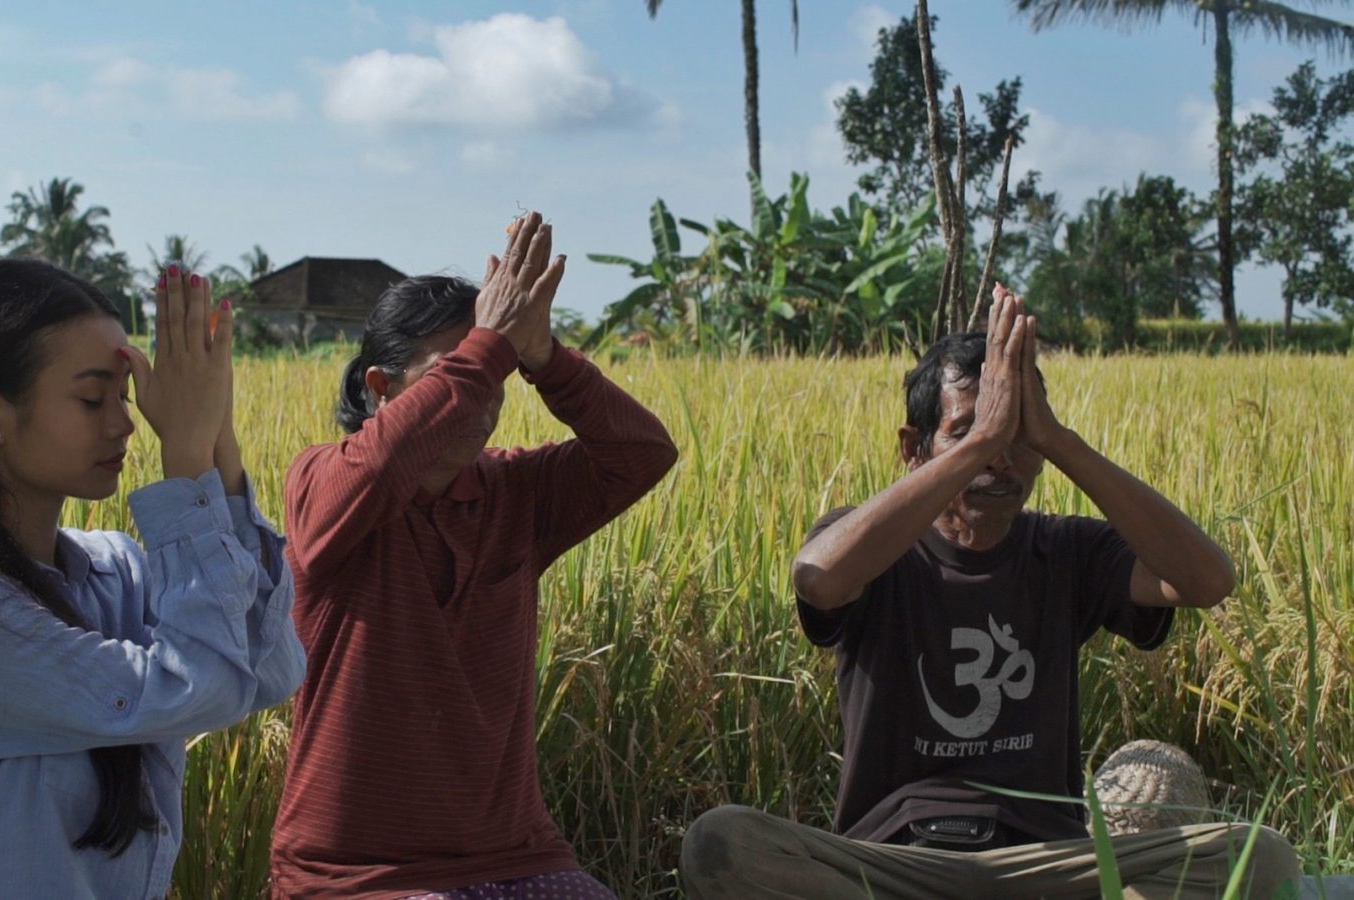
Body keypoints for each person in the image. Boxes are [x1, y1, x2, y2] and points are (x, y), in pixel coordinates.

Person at [680, 286, 1301, 899]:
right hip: (892, 866)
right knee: (721, 843)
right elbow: (818, 578)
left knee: (1260, 858)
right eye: (965, 432)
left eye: (1014, 441)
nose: (999, 462)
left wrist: (1054, 439)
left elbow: (1207, 581)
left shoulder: (1066, 551)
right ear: (912, 448)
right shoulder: (872, 546)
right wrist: (988, 434)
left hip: (1046, 865)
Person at [0, 258, 306, 898]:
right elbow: (202, 687)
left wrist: (218, 444)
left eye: (125, 396)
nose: (125, 423)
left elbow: (270, 672)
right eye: (90, 398)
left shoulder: (113, 569)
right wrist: (185, 468)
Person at [269, 213, 678, 899]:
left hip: (517, 859)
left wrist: (545, 358)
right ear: (381, 388)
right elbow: (379, 470)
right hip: (357, 878)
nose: (480, 397)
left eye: (494, 377)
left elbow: (643, 453)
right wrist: (489, 343)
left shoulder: (517, 494)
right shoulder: (321, 484)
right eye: (455, 374)